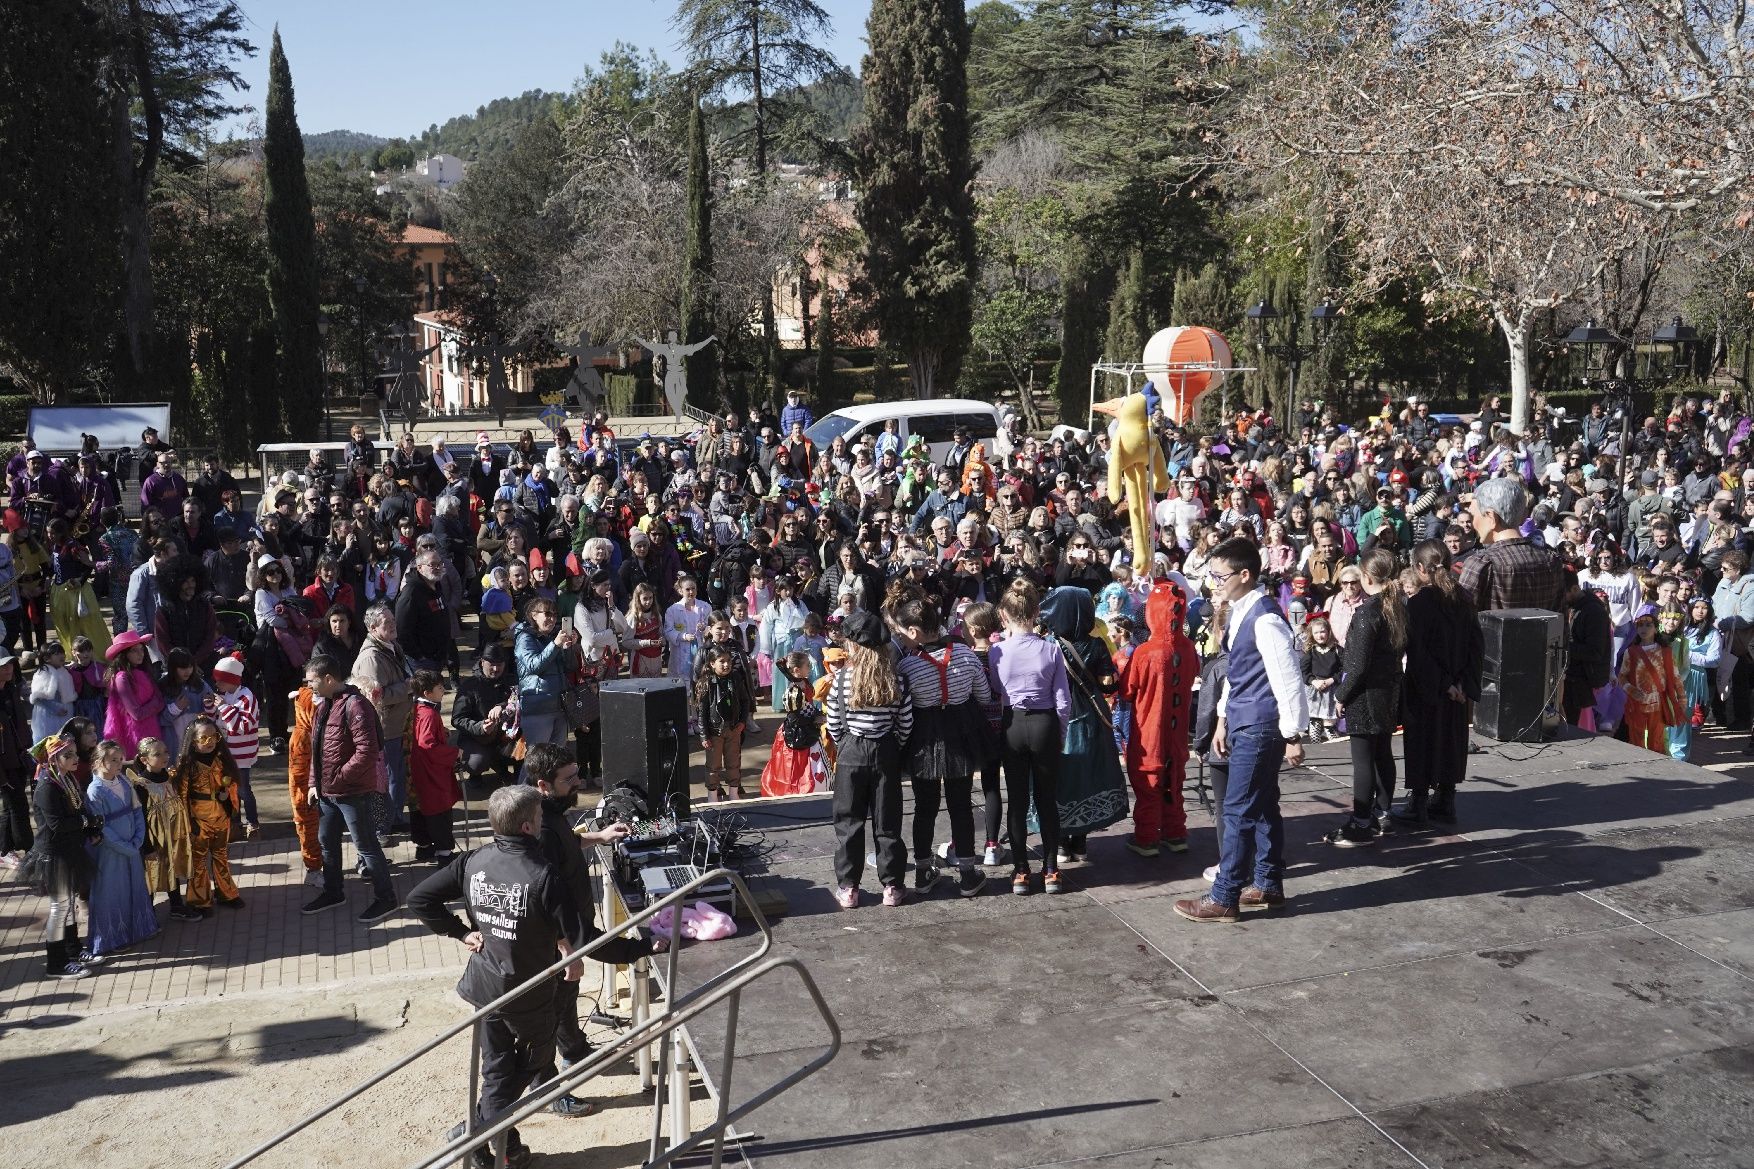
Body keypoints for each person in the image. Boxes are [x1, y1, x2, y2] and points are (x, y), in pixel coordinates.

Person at [407, 785, 654, 1168]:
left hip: (485, 986)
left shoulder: (473, 861)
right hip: (528, 993)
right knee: (532, 1065)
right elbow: (585, 941)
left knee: (497, 1067)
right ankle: (479, 1135)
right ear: (526, 827)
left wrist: (462, 932)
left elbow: (420, 899)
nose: (544, 825)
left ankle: (503, 1147)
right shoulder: (543, 876)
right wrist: (642, 947)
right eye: (540, 819)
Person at [1175, 538, 1308, 923]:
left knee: (1237, 811)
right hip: (1244, 720)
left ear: (1245, 575)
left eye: (1220, 576)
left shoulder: (1265, 619)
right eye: (1212, 575)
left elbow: (1287, 679)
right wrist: (1221, 718)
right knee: (1263, 806)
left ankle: (1225, 895)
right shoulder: (1240, 611)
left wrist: (1293, 734)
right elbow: (1237, 672)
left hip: (1261, 726)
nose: (1214, 582)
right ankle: (1267, 884)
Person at [519, 742, 649, 1119]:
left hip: (568, 933)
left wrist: (597, 837)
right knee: (545, 1018)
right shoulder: (538, 824)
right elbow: (541, 891)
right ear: (544, 785)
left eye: (577, 773)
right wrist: (563, 946)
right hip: (553, 941)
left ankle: (574, 1050)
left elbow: (566, 843)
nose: (578, 783)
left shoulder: (552, 812)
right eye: (569, 779)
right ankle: (547, 1091)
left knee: (566, 1001)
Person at [894, 595, 994, 896]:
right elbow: (984, 695)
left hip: (922, 739)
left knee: (924, 807)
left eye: (902, 632)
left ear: (914, 632)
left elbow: (904, 706)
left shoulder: (908, 666)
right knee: (961, 806)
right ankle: (966, 873)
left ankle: (923, 872)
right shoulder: (965, 654)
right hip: (961, 736)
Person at [824, 611, 914, 909]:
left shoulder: (841, 679)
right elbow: (905, 723)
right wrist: (891, 745)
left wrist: (848, 744)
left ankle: (849, 888)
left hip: (851, 751)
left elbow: (834, 723)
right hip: (886, 750)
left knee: (849, 822)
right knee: (887, 822)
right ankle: (892, 887)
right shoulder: (896, 677)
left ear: (854, 646)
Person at [300, 653, 399, 924]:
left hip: (352, 792)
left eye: (312, 681)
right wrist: (313, 783)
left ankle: (386, 898)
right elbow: (316, 751)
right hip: (327, 793)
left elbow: (367, 751)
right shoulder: (323, 706)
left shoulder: (356, 706)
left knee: (366, 846)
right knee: (327, 844)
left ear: (329, 679)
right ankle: (333, 892)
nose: (308, 685)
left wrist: (340, 778)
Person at [989, 580, 1072, 895]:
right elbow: (1063, 701)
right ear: (1037, 612)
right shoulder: (1051, 649)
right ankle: (1051, 869)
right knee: (1047, 800)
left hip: (1014, 724)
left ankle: (1021, 869)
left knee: (1017, 802)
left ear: (1004, 616)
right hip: (1045, 724)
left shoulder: (997, 650)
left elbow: (997, 689)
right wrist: (1060, 734)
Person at [1325, 549, 1407, 847]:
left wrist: (1341, 695)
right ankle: (1383, 812)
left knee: (1363, 760)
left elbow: (1357, 665)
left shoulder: (1368, 613)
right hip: (1387, 691)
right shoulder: (1396, 606)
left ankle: (1361, 822)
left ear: (1368, 577)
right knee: (1382, 753)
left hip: (1366, 694)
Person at [1397, 541, 1483, 827]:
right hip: (1455, 688)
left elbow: (1419, 652)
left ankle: (1419, 801)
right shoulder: (1463, 597)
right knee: (1450, 740)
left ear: (1420, 569)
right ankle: (1446, 799)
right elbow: (1476, 645)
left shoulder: (1420, 603)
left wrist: (1446, 683)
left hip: (1429, 688)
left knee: (1423, 741)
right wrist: (1461, 683)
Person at [1117, 581, 1197, 858]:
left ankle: (1147, 837)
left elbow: (1127, 691)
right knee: (1174, 784)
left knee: (1149, 785)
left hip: (1149, 733)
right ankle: (1175, 834)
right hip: (1177, 735)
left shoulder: (1145, 652)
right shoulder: (1188, 648)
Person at [84, 738, 160, 956]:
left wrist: (138, 839)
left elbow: (137, 810)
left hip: (132, 847)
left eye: (120, 759)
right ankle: (111, 937)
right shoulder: (94, 791)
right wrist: (126, 846)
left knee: (134, 886)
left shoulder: (125, 782)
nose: (119, 764)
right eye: (114, 760)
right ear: (98, 762)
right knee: (112, 892)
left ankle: (139, 928)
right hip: (111, 852)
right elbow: (101, 827)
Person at [34, 732, 99, 978]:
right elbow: (57, 825)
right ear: (53, 759)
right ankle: (56, 963)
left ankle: (73, 950)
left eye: (74, 753)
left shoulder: (66, 779)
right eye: (67, 755)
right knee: (59, 908)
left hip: (70, 849)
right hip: (55, 854)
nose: (74, 758)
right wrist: (86, 821)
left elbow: (79, 809)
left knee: (68, 904)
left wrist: (91, 828)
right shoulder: (47, 787)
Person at [352, 602, 415, 835]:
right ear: (372, 627)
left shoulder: (391, 646)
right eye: (386, 622)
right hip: (384, 728)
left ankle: (395, 817)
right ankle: (383, 827)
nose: (393, 625)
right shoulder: (371, 658)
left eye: (393, 620)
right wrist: (406, 687)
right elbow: (374, 697)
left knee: (396, 775)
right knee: (387, 779)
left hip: (398, 725)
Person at [1457, 477, 1565, 613]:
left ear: (1491, 517)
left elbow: (1459, 619)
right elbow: (1561, 623)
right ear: (1524, 515)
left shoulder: (1482, 564)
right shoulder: (1552, 559)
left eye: (1473, 516)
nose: (1472, 523)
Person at [175, 714, 245, 917]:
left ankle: (227, 893)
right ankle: (200, 900)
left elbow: (231, 784)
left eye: (213, 737)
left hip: (220, 816)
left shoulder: (221, 760)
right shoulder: (187, 766)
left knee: (221, 855)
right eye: (203, 738)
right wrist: (189, 823)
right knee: (198, 860)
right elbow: (181, 797)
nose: (209, 742)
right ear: (192, 741)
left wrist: (227, 796)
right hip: (199, 818)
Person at [130, 736, 198, 919]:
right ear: (144, 760)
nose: (165, 756)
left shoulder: (169, 777)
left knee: (172, 867)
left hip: (173, 834)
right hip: (153, 839)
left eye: (166, 752)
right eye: (157, 754)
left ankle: (176, 905)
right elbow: (140, 818)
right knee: (151, 875)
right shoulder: (141, 785)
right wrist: (147, 847)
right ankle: (147, 913)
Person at [512, 595, 582, 750]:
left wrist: (568, 648)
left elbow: (570, 667)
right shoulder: (525, 637)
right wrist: (555, 645)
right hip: (537, 708)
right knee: (537, 762)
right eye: (547, 614)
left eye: (554, 615)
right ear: (534, 615)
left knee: (556, 761)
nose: (552, 619)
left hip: (559, 705)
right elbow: (533, 666)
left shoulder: (552, 636)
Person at [410, 668, 462, 862]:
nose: (443, 690)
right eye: (440, 687)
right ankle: (444, 854)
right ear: (427, 693)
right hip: (431, 772)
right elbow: (427, 744)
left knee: (420, 810)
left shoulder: (416, 709)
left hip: (417, 770)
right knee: (439, 813)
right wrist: (454, 752)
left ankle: (423, 848)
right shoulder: (430, 714)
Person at [209, 653, 262, 836]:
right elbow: (215, 720)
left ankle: (252, 823)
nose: (217, 685)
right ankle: (235, 822)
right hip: (226, 752)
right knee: (228, 789)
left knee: (243, 789)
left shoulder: (247, 698)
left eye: (220, 681)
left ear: (231, 680)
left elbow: (242, 726)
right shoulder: (225, 695)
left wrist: (223, 707)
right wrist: (211, 707)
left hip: (242, 754)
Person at [454, 643, 519, 790]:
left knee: (526, 746)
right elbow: (457, 718)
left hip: (505, 736)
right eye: (491, 664)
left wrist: (503, 705)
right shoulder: (469, 686)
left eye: (499, 664)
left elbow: (521, 700)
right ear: (482, 662)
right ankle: (476, 773)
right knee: (476, 763)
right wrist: (480, 728)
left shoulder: (511, 681)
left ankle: (505, 767)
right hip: (476, 737)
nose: (496, 669)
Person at [1619, 610, 1685, 755]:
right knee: (1636, 741)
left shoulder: (1665, 652)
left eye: (1648, 625)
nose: (1644, 629)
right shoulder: (1630, 652)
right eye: (1640, 625)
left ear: (1656, 628)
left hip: (1657, 704)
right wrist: (1631, 690)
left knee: (1657, 741)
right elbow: (1622, 677)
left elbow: (1675, 677)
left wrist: (1681, 699)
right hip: (1636, 704)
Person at [1562, 568, 1615, 728]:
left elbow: (1594, 651)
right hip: (1570, 678)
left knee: (1574, 727)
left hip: (1581, 680)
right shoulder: (1572, 606)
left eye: (1563, 593)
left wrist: (1562, 647)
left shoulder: (1593, 612)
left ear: (1575, 589)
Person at [103, 629, 164, 757]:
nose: (140, 654)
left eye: (141, 649)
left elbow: (160, 700)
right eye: (134, 651)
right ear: (124, 654)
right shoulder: (122, 678)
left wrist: (158, 703)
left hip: (152, 728)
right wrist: (156, 703)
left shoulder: (144, 673)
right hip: (136, 736)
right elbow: (136, 714)